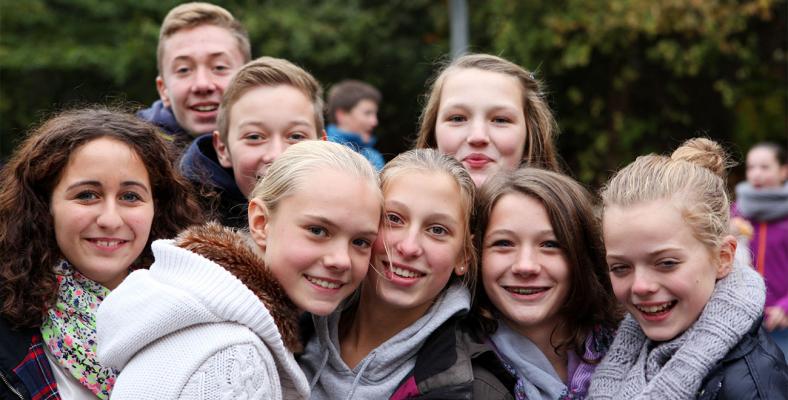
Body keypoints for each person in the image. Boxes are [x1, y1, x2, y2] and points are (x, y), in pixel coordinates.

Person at [97, 141, 382, 399]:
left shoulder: (214, 309)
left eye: (360, 241)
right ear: (261, 223)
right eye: (318, 230)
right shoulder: (233, 357)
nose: (341, 260)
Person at [0, 108, 202, 399]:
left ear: (157, 207)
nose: (110, 219)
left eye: (130, 197)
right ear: (45, 206)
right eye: (86, 195)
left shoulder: (201, 313)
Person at [300, 149, 514, 399]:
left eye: (437, 229)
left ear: (463, 255)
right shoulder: (293, 318)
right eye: (393, 219)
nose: (409, 247)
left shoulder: (473, 389)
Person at [589, 138, 788, 399]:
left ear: (723, 258)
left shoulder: (752, 386)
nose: (640, 286)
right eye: (620, 267)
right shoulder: (615, 348)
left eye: (667, 263)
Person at [473, 168, 620, 399]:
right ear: (476, 254)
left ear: (581, 255)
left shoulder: (635, 345)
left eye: (550, 244)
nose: (525, 266)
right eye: (503, 243)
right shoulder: (453, 370)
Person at [180, 56, 326, 228]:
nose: (277, 155)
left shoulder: (358, 223)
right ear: (222, 149)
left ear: (323, 145)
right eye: (254, 137)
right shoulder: (180, 235)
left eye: (296, 137)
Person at [414, 53, 560, 188]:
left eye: (501, 120)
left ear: (529, 140)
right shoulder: (392, 211)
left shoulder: (570, 215)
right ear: (432, 139)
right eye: (457, 118)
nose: (478, 137)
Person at [138, 2, 251, 151]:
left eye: (219, 67)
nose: (202, 85)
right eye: (184, 70)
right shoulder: (131, 153)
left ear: (250, 81)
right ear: (163, 89)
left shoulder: (285, 149)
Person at [732, 142, 788, 359]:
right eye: (751, 167)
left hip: (780, 323)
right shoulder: (736, 212)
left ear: (783, 171)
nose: (756, 174)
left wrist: (785, 307)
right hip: (744, 321)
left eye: (764, 167)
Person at [325, 80, 385, 170]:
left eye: (375, 114)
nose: (374, 121)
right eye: (367, 113)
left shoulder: (374, 157)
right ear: (342, 115)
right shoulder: (323, 152)